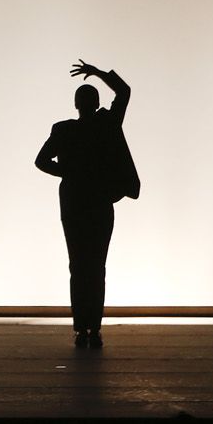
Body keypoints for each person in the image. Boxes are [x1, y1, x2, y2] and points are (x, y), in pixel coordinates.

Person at [34, 59, 138, 349]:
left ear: (76, 104)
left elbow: (41, 161)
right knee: (95, 266)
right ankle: (92, 329)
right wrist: (99, 73)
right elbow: (124, 91)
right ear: (94, 103)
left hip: (75, 203)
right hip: (98, 203)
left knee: (79, 266)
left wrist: (67, 172)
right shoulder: (106, 124)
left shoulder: (65, 130)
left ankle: (82, 328)